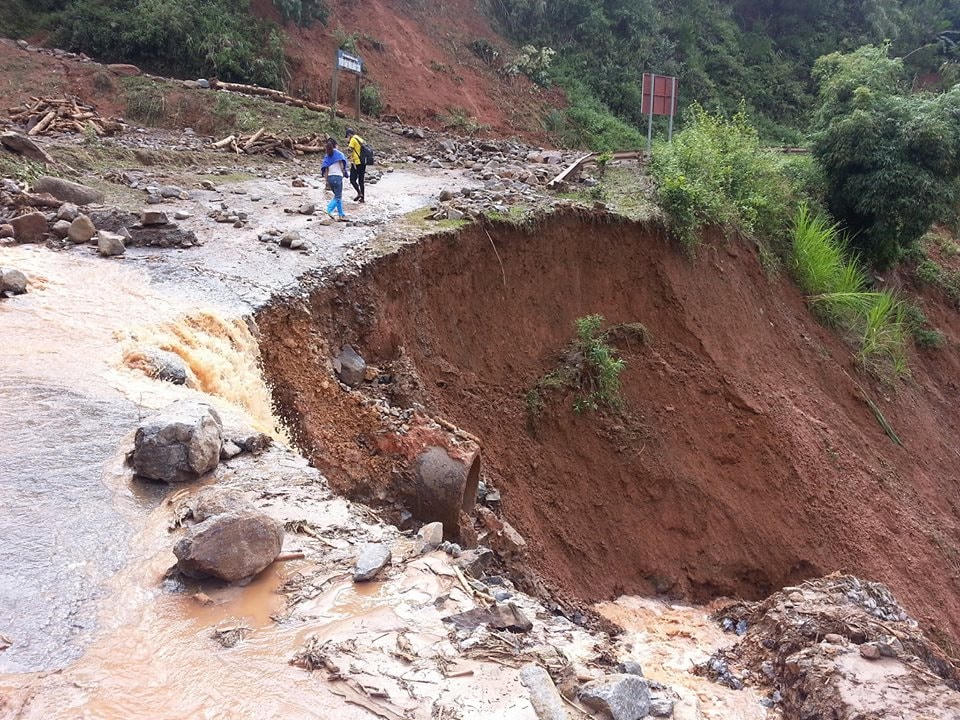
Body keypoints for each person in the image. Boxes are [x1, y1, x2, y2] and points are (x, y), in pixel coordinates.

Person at [320, 137, 349, 221]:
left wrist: (326, 181)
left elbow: (326, 169)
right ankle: (328, 209)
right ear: (335, 145)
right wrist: (344, 173)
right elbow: (342, 166)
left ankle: (341, 214)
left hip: (330, 178)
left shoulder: (327, 155)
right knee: (338, 197)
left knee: (337, 196)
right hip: (337, 177)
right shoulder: (339, 154)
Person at [345, 127, 367, 203]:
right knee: (361, 180)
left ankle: (359, 193)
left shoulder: (353, 139)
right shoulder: (359, 138)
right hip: (363, 162)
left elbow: (349, 150)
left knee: (352, 179)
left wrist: (348, 152)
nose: (347, 138)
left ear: (349, 134)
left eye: (347, 136)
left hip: (356, 163)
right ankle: (363, 198)